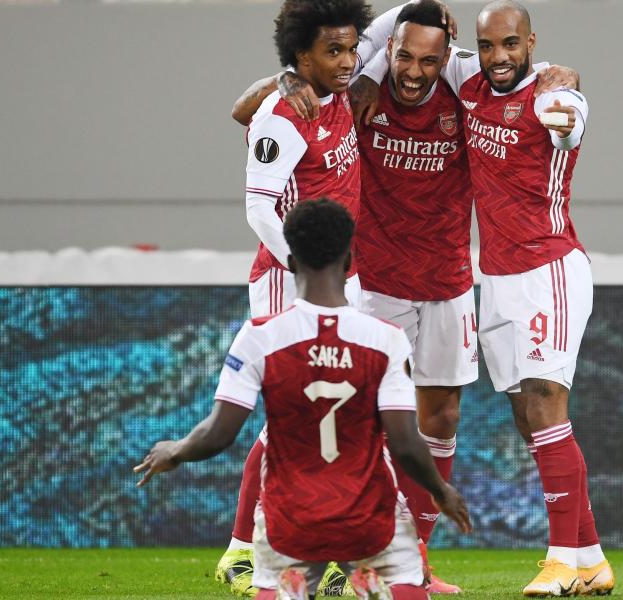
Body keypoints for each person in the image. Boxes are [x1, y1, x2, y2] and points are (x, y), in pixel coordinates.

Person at [231, 1, 579, 594]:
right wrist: (291, 75)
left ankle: (409, 561)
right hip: (369, 282)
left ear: (447, 60)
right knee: (340, 418)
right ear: (386, 48)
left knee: (440, 419)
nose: (415, 72)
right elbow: (247, 110)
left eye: (429, 60)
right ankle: (267, 548)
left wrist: (561, 78)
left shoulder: (465, 83)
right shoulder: (356, 87)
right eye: (404, 56)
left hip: (447, 281)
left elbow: (518, 67)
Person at [355, 0, 613, 596]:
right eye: (489, 45)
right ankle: (593, 557)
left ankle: (562, 560)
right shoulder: (463, 77)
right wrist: (370, 74)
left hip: (549, 267)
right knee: (527, 415)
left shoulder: (553, 96)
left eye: (512, 45)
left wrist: (567, 105)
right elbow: (398, 43)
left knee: (548, 405)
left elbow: (570, 110)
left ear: (531, 44)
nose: (500, 57)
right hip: (494, 277)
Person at [135, 198, 472, 600]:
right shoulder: (385, 340)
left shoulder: (259, 336)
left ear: (290, 261)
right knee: (403, 582)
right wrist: (440, 490)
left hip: (290, 522)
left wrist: (174, 450)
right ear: (350, 259)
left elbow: (218, 433)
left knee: (281, 579)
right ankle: (377, 580)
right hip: (367, 520)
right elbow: (404, 442)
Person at [219, 1, 376, 596]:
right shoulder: (284, 116)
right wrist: (304, 266)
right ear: (299, 57)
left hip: (339, 278)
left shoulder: (336, 93)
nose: (346, 61)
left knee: (328, 417)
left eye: (350, 49)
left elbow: (396, 27)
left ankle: (282, 548)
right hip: (293, 281)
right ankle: (252, 552)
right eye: (331, 52)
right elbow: (259, 206)